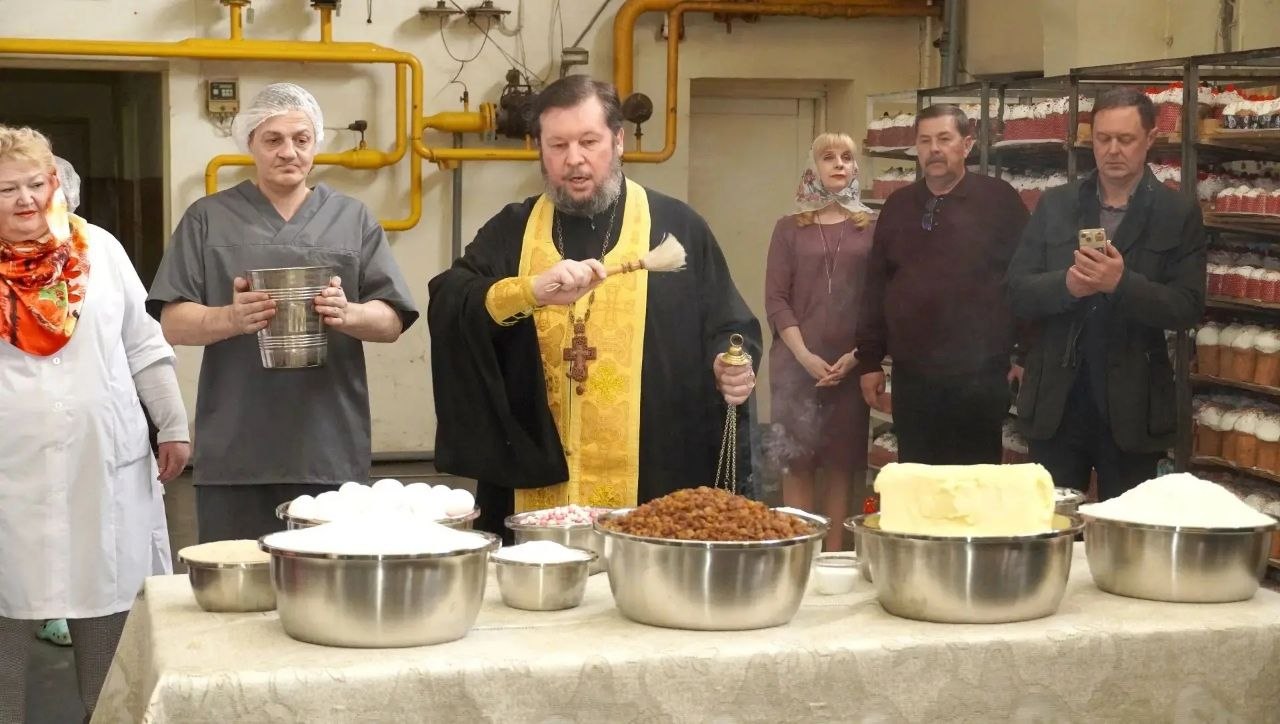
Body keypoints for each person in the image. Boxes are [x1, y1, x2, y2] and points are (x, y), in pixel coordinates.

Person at [428, 75, 761, 535]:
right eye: (557, 145)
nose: (574, 159)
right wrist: (529, 291)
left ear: (618, 141)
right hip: (536, 472)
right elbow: (451, 298)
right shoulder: (513, 230)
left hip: (653, 473)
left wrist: (732, 364)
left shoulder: (675, 228)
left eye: (589, 142)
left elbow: (730, 323)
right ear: (539, 149)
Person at [148, 83, 419, 543]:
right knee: (237, 573)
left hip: (328, 447)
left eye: (301, 139)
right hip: (236, 448)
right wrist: (230, 319)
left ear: (316, 144)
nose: (288, 152)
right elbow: (172, 322)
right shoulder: (208, 218)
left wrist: (348, 313)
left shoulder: (352, 219)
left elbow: (392, 321)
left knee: (329, 576)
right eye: (273, 139)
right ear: (250, 143)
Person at [0, 126, 190, 723]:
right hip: (10, 469)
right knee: (6, 608)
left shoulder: (99, 249)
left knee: (105, 600)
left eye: (37, 183)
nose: (26, 199)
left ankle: (105, 716)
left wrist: (172, 424)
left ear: (56, 183)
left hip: (101, 462)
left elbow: (144, 343)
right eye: (7, 189)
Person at [1007, 87, 1206, 500]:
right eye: (1103, 139)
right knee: (1050, 522)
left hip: (1133, 407)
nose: (1113, 150)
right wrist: (1066, 285)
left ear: (1150, 139)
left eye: (1125, 139)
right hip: (1057, 403)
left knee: (1125, 526)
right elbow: (1017, 291)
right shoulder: (1056, 204)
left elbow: (1187, 307)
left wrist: (1121, 284)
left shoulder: (1177, 213)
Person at [854, 104, 1028, 465]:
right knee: (917, 478)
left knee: (975, 480)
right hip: (913, 376)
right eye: (925, 141)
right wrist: (869, 360)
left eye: (944, 139)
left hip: (980, 375)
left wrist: (1027, 354)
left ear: (967, 144)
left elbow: (1025, 279)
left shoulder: (1000, 201)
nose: (934, 149)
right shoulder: (898, 206)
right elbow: (876, 286)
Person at [765, 133, 873, 550]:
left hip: (850, 365)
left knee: (842, 464)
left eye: (847, 157)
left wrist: (856, 356)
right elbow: (776, 300)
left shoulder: (870, 228)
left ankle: (834, 556)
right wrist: (805, 356)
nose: (839, 164)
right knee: (797, 461)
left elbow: (878, 299)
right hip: (795, 365)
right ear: (813, 167)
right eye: (829, 157)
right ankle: (800, 554)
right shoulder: (789, 229)